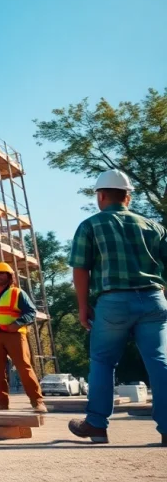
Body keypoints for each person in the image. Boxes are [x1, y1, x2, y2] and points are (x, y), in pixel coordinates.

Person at [66, 170, 167, 445]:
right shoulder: (154, 227)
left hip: (113, 303)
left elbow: (81, 269)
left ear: (101, 196)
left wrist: (83, 306)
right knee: (159, 363)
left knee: (102, 362)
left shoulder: (90, 225)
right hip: (154, 300)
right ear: (128, 197)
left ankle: (97, 425)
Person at [0, 262, 47, 413]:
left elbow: (31, 312)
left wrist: (18, 323)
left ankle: (37, 402)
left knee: (24, 368)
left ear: (9, 276)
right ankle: (0, 402)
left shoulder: (17, 293)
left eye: (0, 273)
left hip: (15, 335)